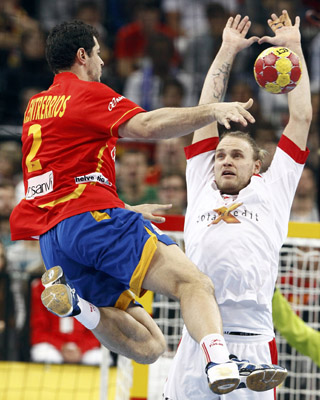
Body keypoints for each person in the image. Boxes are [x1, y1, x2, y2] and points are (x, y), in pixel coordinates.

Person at [9, 19, 282, 396]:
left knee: (150, 347)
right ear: (82, 55)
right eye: (99, 53)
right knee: (195, 283)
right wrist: (212, 111)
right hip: (92, 222)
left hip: (54, 238)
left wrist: (121, 206)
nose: (103, 62)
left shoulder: (35, 107)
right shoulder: (87, 93)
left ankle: (77, 307)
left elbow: (60, 179)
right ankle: (220, 361)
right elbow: (149, 125)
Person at [163, 10, 312, 399]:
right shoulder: (201, 183)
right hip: (200, 337)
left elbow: (300, 117)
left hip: (255, 343)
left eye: (236, 155)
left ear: (257, 165)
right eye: (220, 154)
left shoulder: (272, 189)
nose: (225, 160)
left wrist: (292, 48)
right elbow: (207, 106)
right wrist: (227, 49)